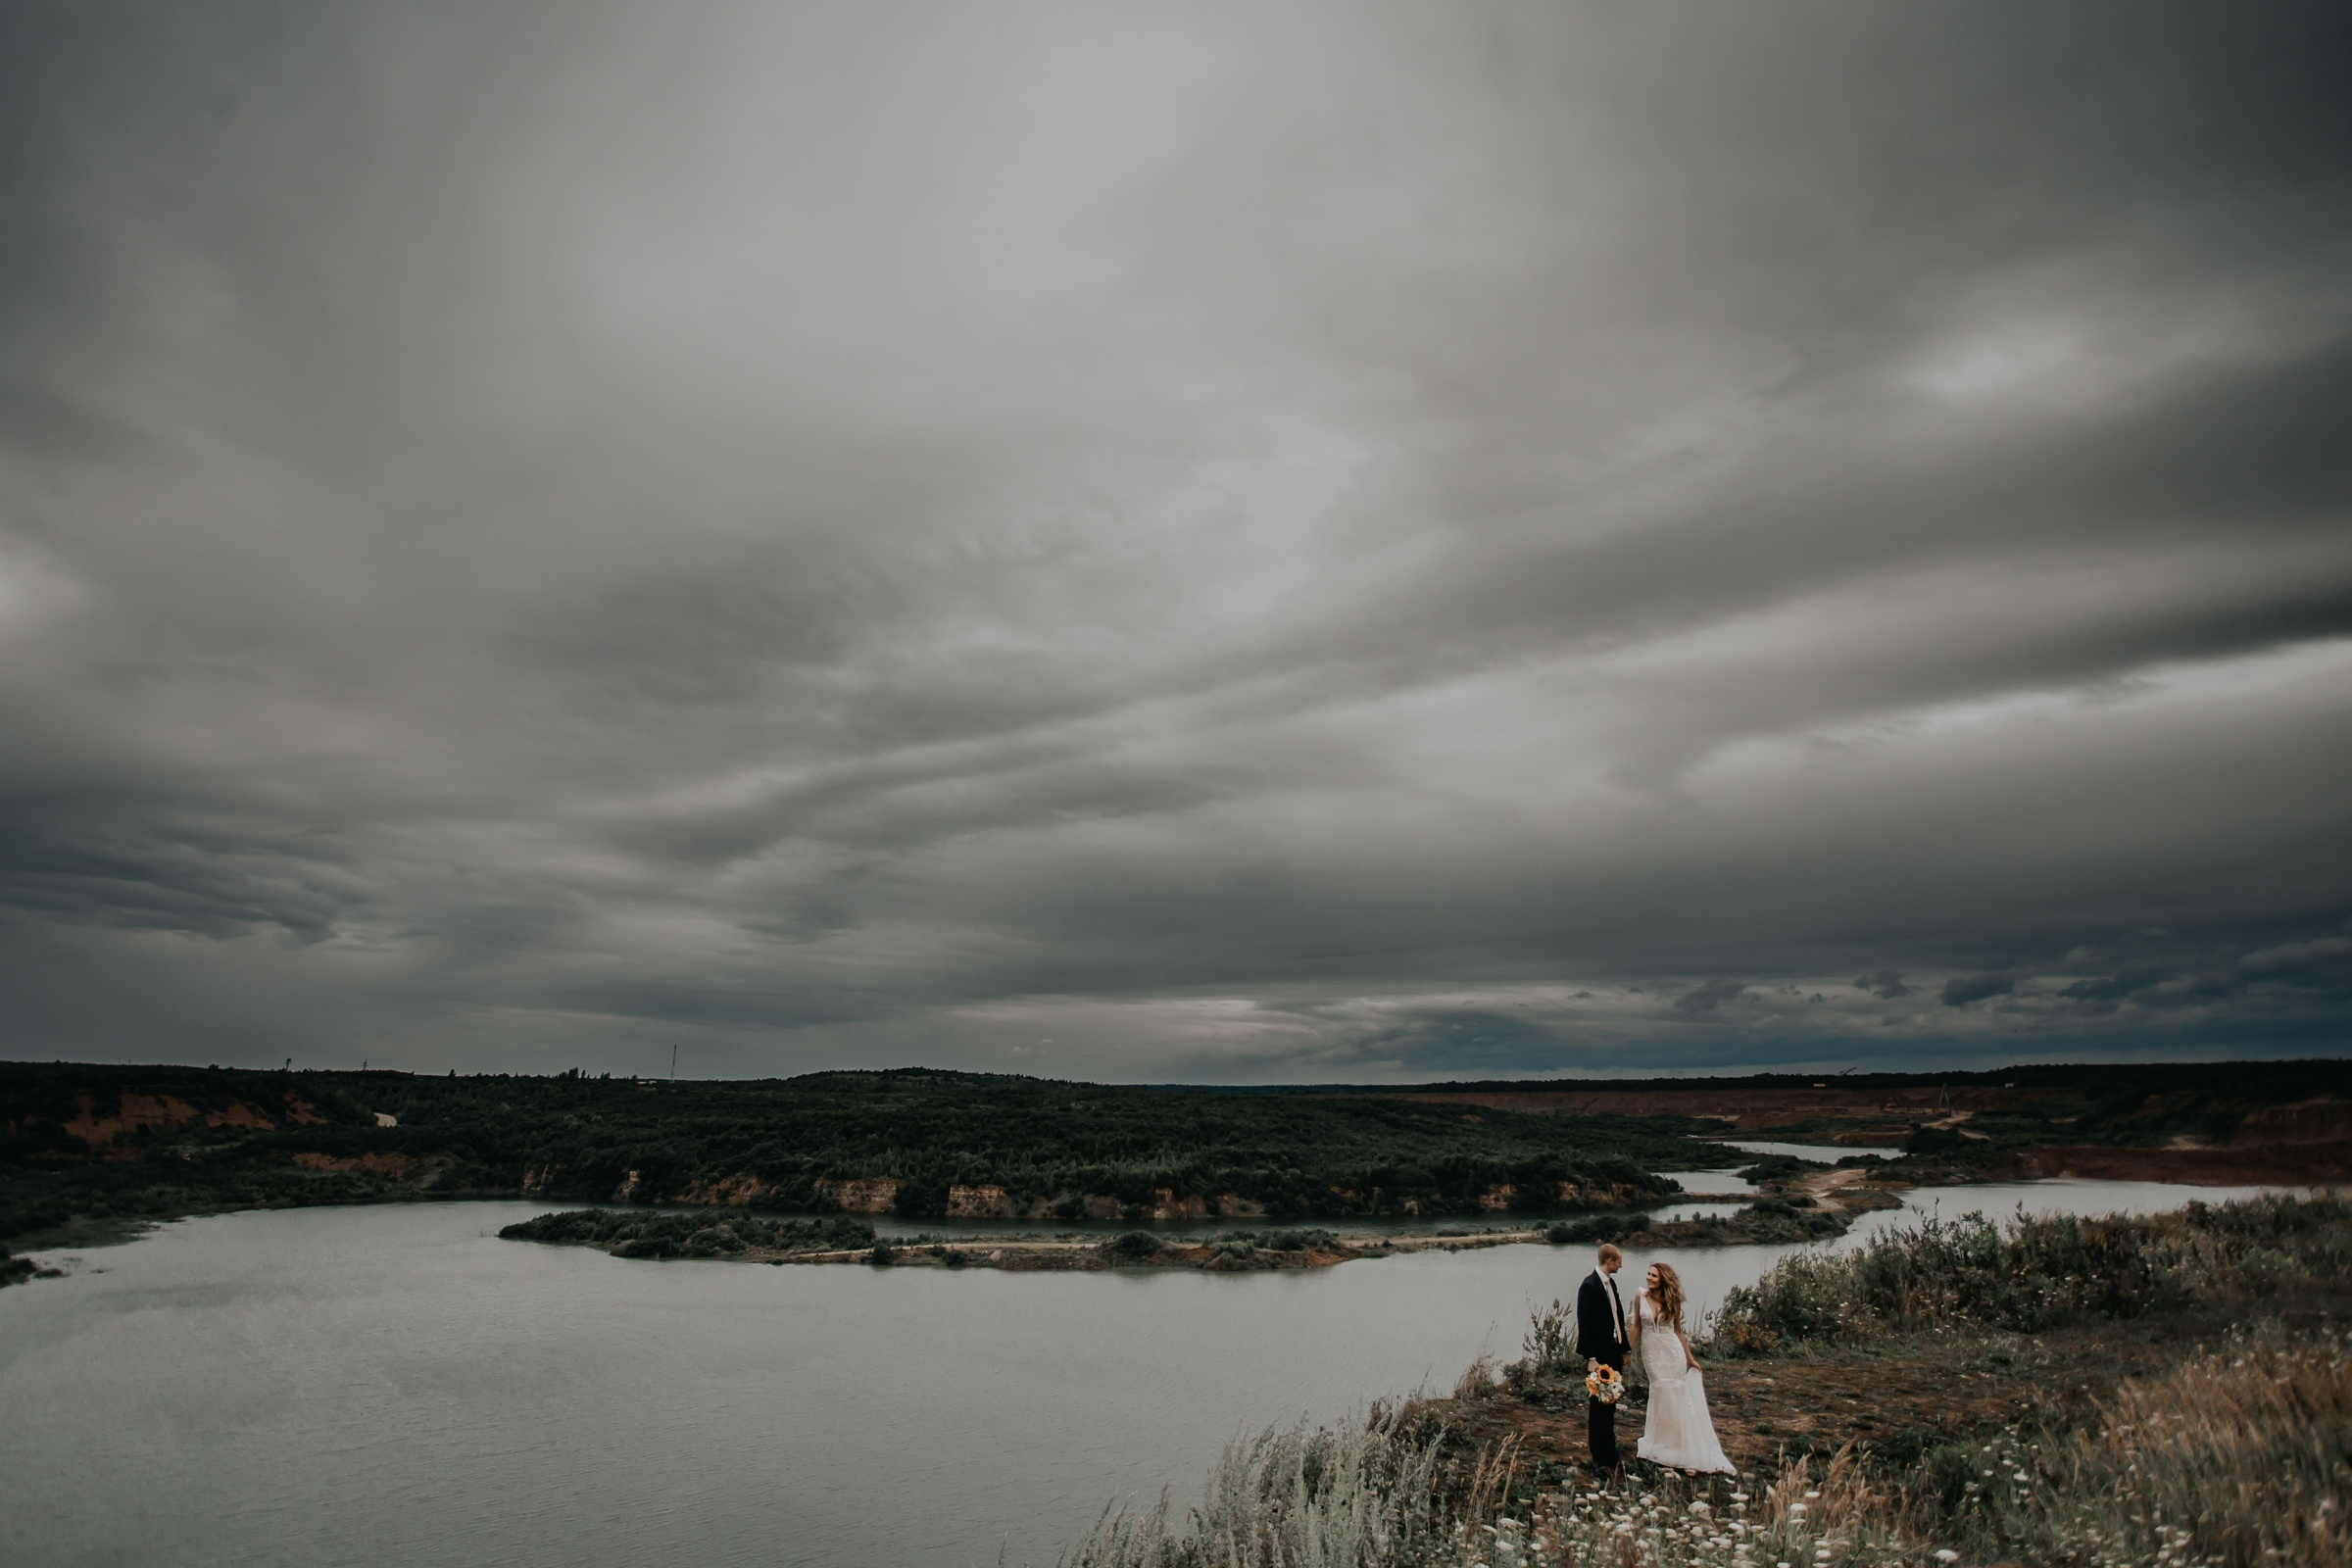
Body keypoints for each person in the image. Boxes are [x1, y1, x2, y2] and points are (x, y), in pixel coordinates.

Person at [1630, 1260, 1734, 1475]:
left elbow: (1678, 1332)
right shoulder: (1640, 1296)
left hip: (1672, 1352)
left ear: (1663, 1280)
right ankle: (1661, 1445)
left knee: (1676, 1398)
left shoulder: (1672, 1300)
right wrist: (1626, 1351)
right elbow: (1637, 1327)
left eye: (1654, 1276)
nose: (1649, 1278)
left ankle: (1684, 1450)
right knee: (1661, 1394)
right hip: (1651, 1353)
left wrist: (1689, 1358)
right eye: (1648, 1274)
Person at [1575, 1242, 1629, 1474]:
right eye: (1618, 1261)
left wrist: (1624, 1348)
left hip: (1613, 1353)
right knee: (1599, 1406)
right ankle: (1600, 1458)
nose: (1621, 1265)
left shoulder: (1610, 1283)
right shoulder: (1589, 1286)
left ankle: (1611, 1452)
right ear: (1609, 1261)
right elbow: (1585, 1324)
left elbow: (1618, 1317)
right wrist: (1591, 1357)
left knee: (1611, 1404)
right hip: (1599, 1357)